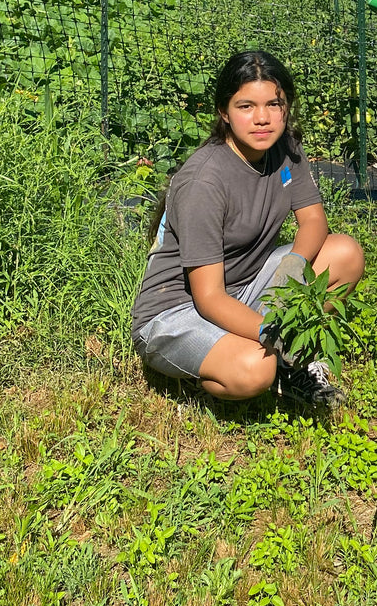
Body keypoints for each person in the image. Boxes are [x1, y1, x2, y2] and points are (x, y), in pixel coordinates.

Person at [131, 50, 364, 403]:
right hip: (179, 311)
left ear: (287, 106)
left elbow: (314, 219)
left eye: (274, 104)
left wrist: (295, 263)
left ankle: (285, 368)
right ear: (224, 112)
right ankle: (218, 374)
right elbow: (208, 298)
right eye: (245, 106)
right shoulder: (204, 182)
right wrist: (273, 333)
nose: (262, 118)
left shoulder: (285, 151)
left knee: (344, 253)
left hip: (244, 287)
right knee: (255, 367)